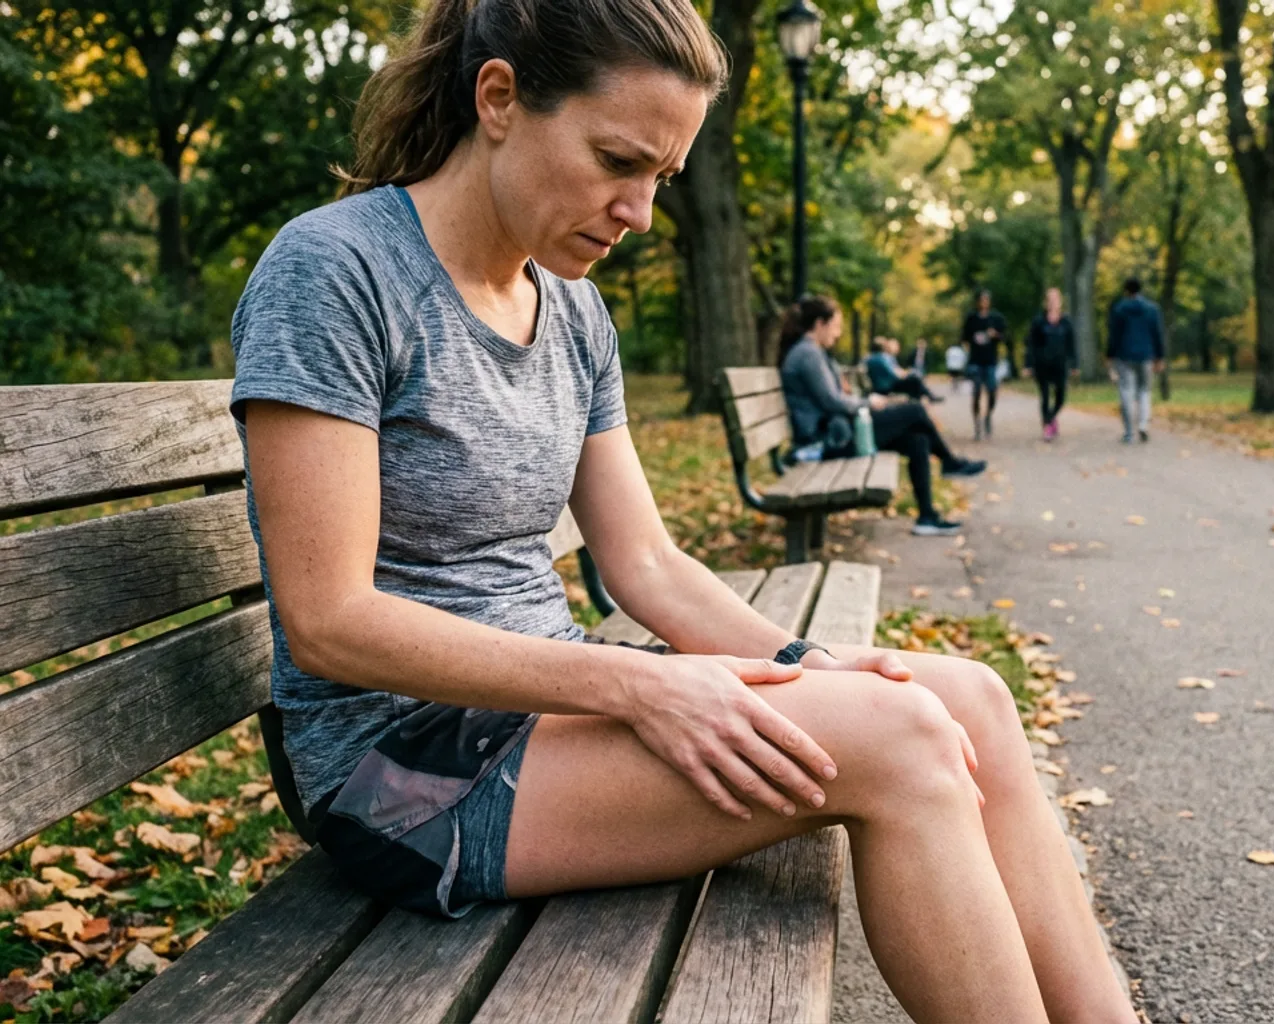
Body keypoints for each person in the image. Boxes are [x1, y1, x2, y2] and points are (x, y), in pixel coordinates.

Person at [229, 0, 1135, 1019]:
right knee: (903, 740)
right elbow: (331, 619)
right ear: (500, 99)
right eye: (617, 161)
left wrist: (805, 663)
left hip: (547, 713)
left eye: (660, 178)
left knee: (973, 698)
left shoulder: (574, 310)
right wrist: (638, 685)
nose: (640, 213)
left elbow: (647, 564)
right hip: (399, 772)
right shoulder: (336, 272)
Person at [783, 300, 980, 535]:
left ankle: (927, 517)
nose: (838, 333)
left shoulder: (811, 352)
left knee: (917, 439)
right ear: (819, 324)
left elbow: (833, 398)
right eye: (835, 326)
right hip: (825, 441)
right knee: (915, 411)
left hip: (835, 432)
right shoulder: (808, 354)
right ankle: (949, 462)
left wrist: (862, 400)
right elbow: (832, 402)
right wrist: (868, 403)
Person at [1106, 277, 1166, 443]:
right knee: (1144, 391)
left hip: (1124, 356)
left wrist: (1109, 355)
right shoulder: (1152, 309)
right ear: (1140, 290)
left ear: (1126, 291)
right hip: (1146, 355)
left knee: (1126, 390)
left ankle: (1128, 432)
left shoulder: (1119, 309)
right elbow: (1157, 334)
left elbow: (1113, 335)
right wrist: (1160, 357)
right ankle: (1143, 425)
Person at [1023, 288, 1077, 441]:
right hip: (1042, 365)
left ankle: (1051, 417)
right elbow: (1031, 344)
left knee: (1061, 397)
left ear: (1060, 302)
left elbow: (1071, 344)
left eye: (1056, 299)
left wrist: (1074, 364)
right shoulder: (1039, 321)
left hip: (1060, 364)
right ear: (1045, 302)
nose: (1053, 302)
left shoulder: (1066, 322)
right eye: (1050, 299)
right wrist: (1028, 365)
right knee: (1045, 396)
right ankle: (1047, 426)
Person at [961, 289, 1007, 440]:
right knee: (976, 393)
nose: (984, 302)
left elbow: (1004, 337)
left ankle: (988, 415)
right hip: (975, 361)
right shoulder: (971, 318)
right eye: (981, 299)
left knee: (992, 391)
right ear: (977, 301)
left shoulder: (996, 318)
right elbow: (964, 338)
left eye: (986, 299)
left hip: (990, 361)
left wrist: (995, 335)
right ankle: (977, 424)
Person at [865, 336, 942, 402]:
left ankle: (921, 401)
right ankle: (918, 403)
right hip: (886, 387)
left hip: (882, 386)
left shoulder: (870, 358)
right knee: (914, 380)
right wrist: (905, 374)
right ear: (882, 347)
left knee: (914, 380)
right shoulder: (881, 358)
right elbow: (893, 374)